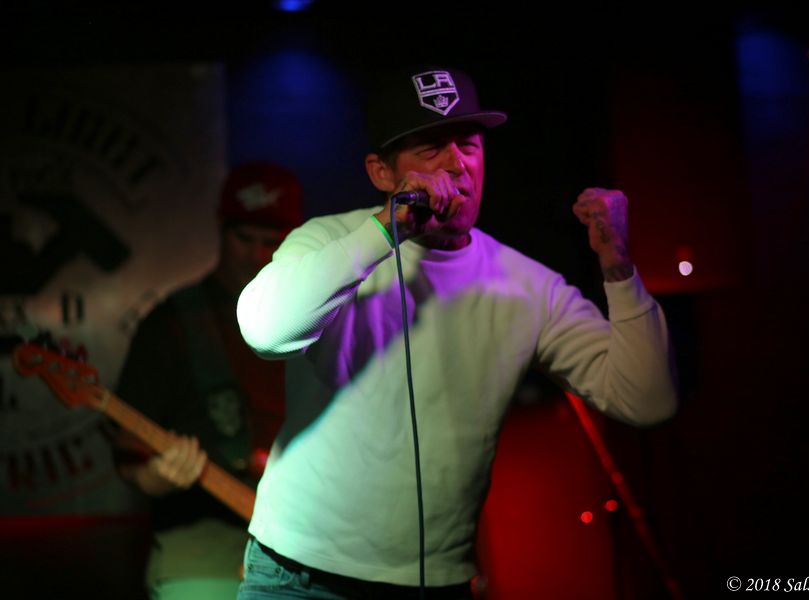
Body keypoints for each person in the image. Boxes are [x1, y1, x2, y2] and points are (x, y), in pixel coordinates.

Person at [235, 67, 678, 600]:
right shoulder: (330, 240)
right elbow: (265, 332)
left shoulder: (527, 286)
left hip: (435, 584)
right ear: (381, 172)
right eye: (430, 149)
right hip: (298, 574)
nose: (456, 164)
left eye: (468, 145)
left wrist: (619, 265)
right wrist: (388, 228)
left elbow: (647, 400)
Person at [114, 162, 303, 600]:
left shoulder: (317, 319)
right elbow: (126, 451)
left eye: (271, 242)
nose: (256, 256)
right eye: (244, 239)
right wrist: (158, 477)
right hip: (203, 539)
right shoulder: (171, 323)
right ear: (220, 227)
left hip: (304, 538)